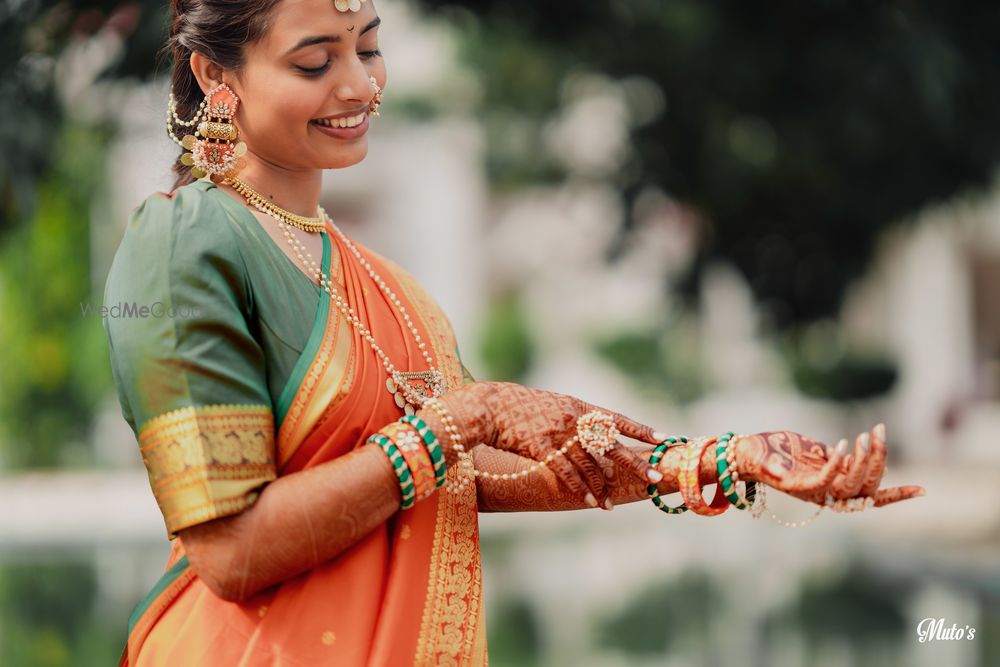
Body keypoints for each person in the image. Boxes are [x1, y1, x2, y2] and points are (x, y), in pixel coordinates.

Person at [102, 0, 924, 664]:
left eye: (370, 48)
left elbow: (462, 469)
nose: (359, 86)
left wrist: (711, 461)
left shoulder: (378, 278)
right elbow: (232, 552)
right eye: (315, 61)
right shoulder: (187, 243)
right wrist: (467, 416)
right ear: (216, 74)